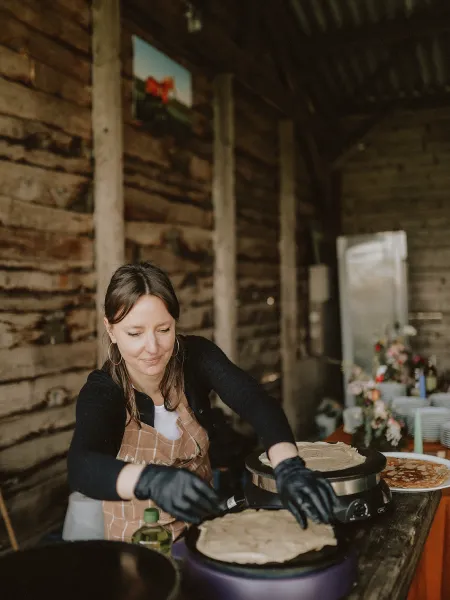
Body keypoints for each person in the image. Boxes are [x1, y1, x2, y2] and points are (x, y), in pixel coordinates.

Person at [67, 262, 337, 542]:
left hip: (204, 534)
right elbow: (82, 465)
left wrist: (288, 465)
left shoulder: (195, 357)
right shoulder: (104, 391)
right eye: (135, 333)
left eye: (163, 329)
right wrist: (152, 480)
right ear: (110, 330)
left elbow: (255, 401)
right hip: (138, 547)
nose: (153, 347)